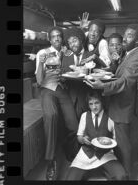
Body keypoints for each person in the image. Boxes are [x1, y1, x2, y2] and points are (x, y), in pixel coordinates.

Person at [84, 24, 138, 178]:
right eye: (125, 34)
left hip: (123, 108)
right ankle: (121, 174)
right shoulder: (128, 54)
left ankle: (127, 176)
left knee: (124, 146)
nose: (125, 38)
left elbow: (124, 82)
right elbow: (119, 72)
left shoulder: (137, 59)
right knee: (119, 143)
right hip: (118, 105)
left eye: (130, 35)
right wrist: (108, 69)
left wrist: (103, 85)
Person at [35, 26, 78, 180]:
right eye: (54, 37)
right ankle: (51, 160)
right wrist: (40, 64)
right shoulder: (43, 53)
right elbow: (39, 81)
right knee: (51, 116)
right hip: (47, 89)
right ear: (50, 39)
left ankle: (70, 152)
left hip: (62, 89)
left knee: (73, 125)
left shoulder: (67, 52)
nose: (57, 39)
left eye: (59, 36)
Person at [65, 90, 127, 180]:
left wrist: (110, 145)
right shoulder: (84, 116)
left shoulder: (110, 117)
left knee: (121, 176)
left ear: (102, 102)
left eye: (97, 103)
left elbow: (115, 139)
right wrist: (83, 140)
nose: (94, 107)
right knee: (70, 179)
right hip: (86, 153)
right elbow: (79, 137)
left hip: (105, 155)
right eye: (91, 104)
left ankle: (104, 170)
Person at [61, 27, 91, 120]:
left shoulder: (90, 55)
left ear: (81, 40)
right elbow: (63, 75)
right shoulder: (66, 57)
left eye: (74, 41)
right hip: (70, 96)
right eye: (69, 43)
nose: (72, 45)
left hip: (87, 95)